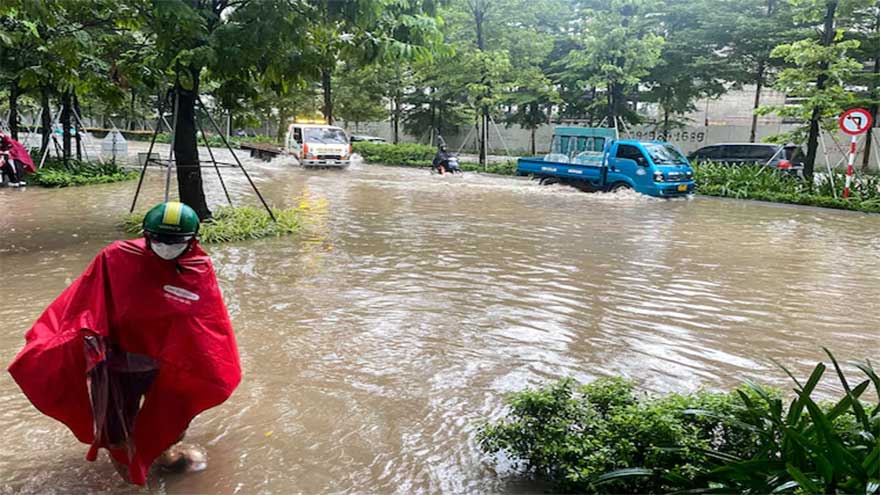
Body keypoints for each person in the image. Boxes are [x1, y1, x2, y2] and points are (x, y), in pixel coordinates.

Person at [8, 201, 241, 485]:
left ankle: (161, 454)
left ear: (192, 241)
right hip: (117, 362)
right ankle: (130, 482)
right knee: (115, 430)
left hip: (166, 364)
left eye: (175, 242)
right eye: (160, 240)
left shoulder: (198, 269)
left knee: (173, 417)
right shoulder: (116, 257)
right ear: (146, 234)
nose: (166, 247)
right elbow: (83, 302)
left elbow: (207, 323)